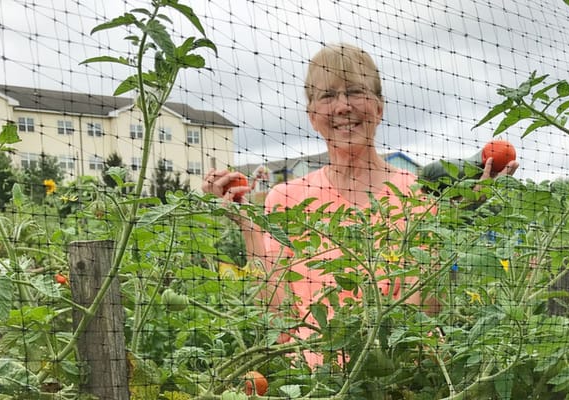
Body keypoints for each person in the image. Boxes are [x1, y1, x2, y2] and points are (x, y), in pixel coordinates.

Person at [202, 43, 518, 367]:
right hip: (320, 382)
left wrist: (457, 219)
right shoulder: (285, 199)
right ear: (312, 117)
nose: (343, 107)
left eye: (355, 92)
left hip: (407, 377)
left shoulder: (421, 194)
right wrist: (249, 229)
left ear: (379, 107)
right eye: (327, 96)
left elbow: (426, 312)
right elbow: (280, 322)